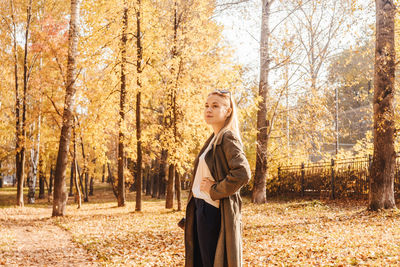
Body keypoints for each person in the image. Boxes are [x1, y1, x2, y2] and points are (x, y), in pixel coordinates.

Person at [183, 90, 251, 267]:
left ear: (228, 111)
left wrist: (215, 189)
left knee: (211, 262)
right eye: (206, 105)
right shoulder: (214, 138)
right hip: (201, 206)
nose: (208, 109)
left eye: (215, 106)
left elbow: (242, 173)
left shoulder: (228, 137)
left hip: (211, 209)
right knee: (201, 261)